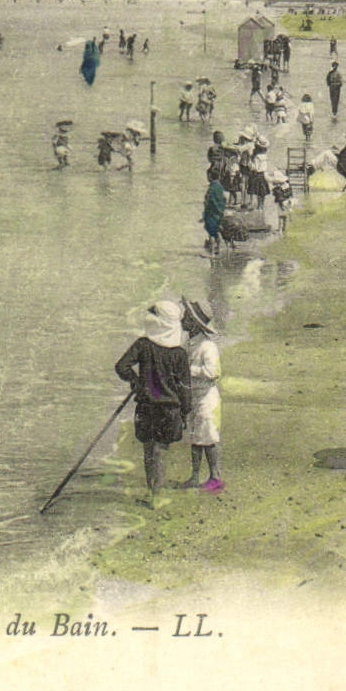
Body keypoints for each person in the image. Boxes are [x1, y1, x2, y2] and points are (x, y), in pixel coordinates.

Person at [114, 301, 193, 509]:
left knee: (148, 451)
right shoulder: (179, 354)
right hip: (169, 409)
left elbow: (122, 366)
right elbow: (185, 388)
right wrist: (186, 412)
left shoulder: (143, 345)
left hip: (146, 406)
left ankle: (152, 494)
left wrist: (136, 382)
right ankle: (156, 496)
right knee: (160, 451)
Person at [179, 298, 225, 492]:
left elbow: (214, 372)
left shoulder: (207, 346)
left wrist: (189, 370)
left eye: (186, 317)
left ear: (194, 324)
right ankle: (195, 475)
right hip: (194, 397)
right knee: (196, 438)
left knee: (209, 438)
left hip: (207, 398)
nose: (182, 320)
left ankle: (215, 477)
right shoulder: (189, 344)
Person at [201, 170, 228, 255]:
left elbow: (209, 201)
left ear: (210, 176)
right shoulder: (220, 186)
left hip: (211, 213)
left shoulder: (212, 188)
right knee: (217, 232)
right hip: (219, 213)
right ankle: (218, 250)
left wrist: (205, 214)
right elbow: (224, 199)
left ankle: (212, 253)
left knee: (211, 233)